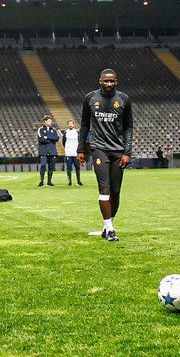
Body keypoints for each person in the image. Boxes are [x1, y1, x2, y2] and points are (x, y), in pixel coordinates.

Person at [75, 69, 133, 241]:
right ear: (100, 81)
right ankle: (110, 229)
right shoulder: (90, 98)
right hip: (98, 148)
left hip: (118, 150)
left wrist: (127, 152)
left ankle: (108, 225)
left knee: (115, 191)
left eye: (112, 81)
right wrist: (81, 149)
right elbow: (85, 124)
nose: (109, 84)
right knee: (104, 189)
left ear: (116, 82)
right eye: (106, 81)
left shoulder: (124, 99)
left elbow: (128, 126)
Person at [36, 115, 60, 187]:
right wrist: (50, 140)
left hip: (52, 151)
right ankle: (41, 181)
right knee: (43, 165)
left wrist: (48, 137)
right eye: (49, 121)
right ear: (45, 121)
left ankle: (49, 182)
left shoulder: (54, 130)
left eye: (51, 121)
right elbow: (41, 139)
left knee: (51, 167)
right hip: (43, 151)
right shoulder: (40, 129)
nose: (51, 122)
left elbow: (56, 139)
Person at [62, 120, 82, 186]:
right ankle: (69, 181)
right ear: (68, 125)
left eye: (71, 124)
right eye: (69, 124)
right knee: (69, 168)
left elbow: (79, 141)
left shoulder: (77, 132)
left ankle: (78, 181)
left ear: (74, 125)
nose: (70, 125)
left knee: (77, 167)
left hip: (76, 154)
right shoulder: (65, 132)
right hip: (68, 153)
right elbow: (63, 142)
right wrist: (67, 149)